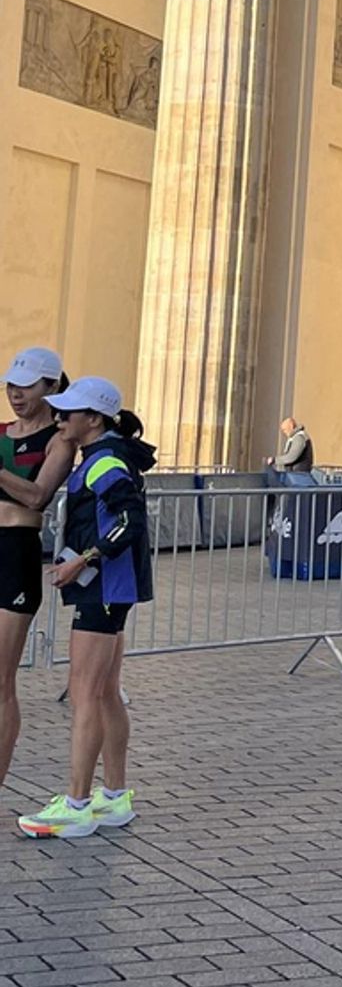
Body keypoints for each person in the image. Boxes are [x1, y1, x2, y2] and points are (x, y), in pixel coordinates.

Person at [18, 378, 155, 840]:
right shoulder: (101, 458)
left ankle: (77, 803)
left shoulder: (104, 463)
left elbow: (130, 522)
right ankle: (114, 795)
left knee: (85, 693)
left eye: (67, 413)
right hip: (110, 590)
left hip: (104, 589)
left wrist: (84, 559)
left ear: (92, 420)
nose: (58, 419)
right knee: (105, 691)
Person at [0, 350, 74, 795]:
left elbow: (37, 495)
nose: (15, 394)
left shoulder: (59, 438)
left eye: (25, 386)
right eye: (10, 385)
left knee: (2, 679)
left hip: (16, 552)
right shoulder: (1, 433)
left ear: (50, 387)